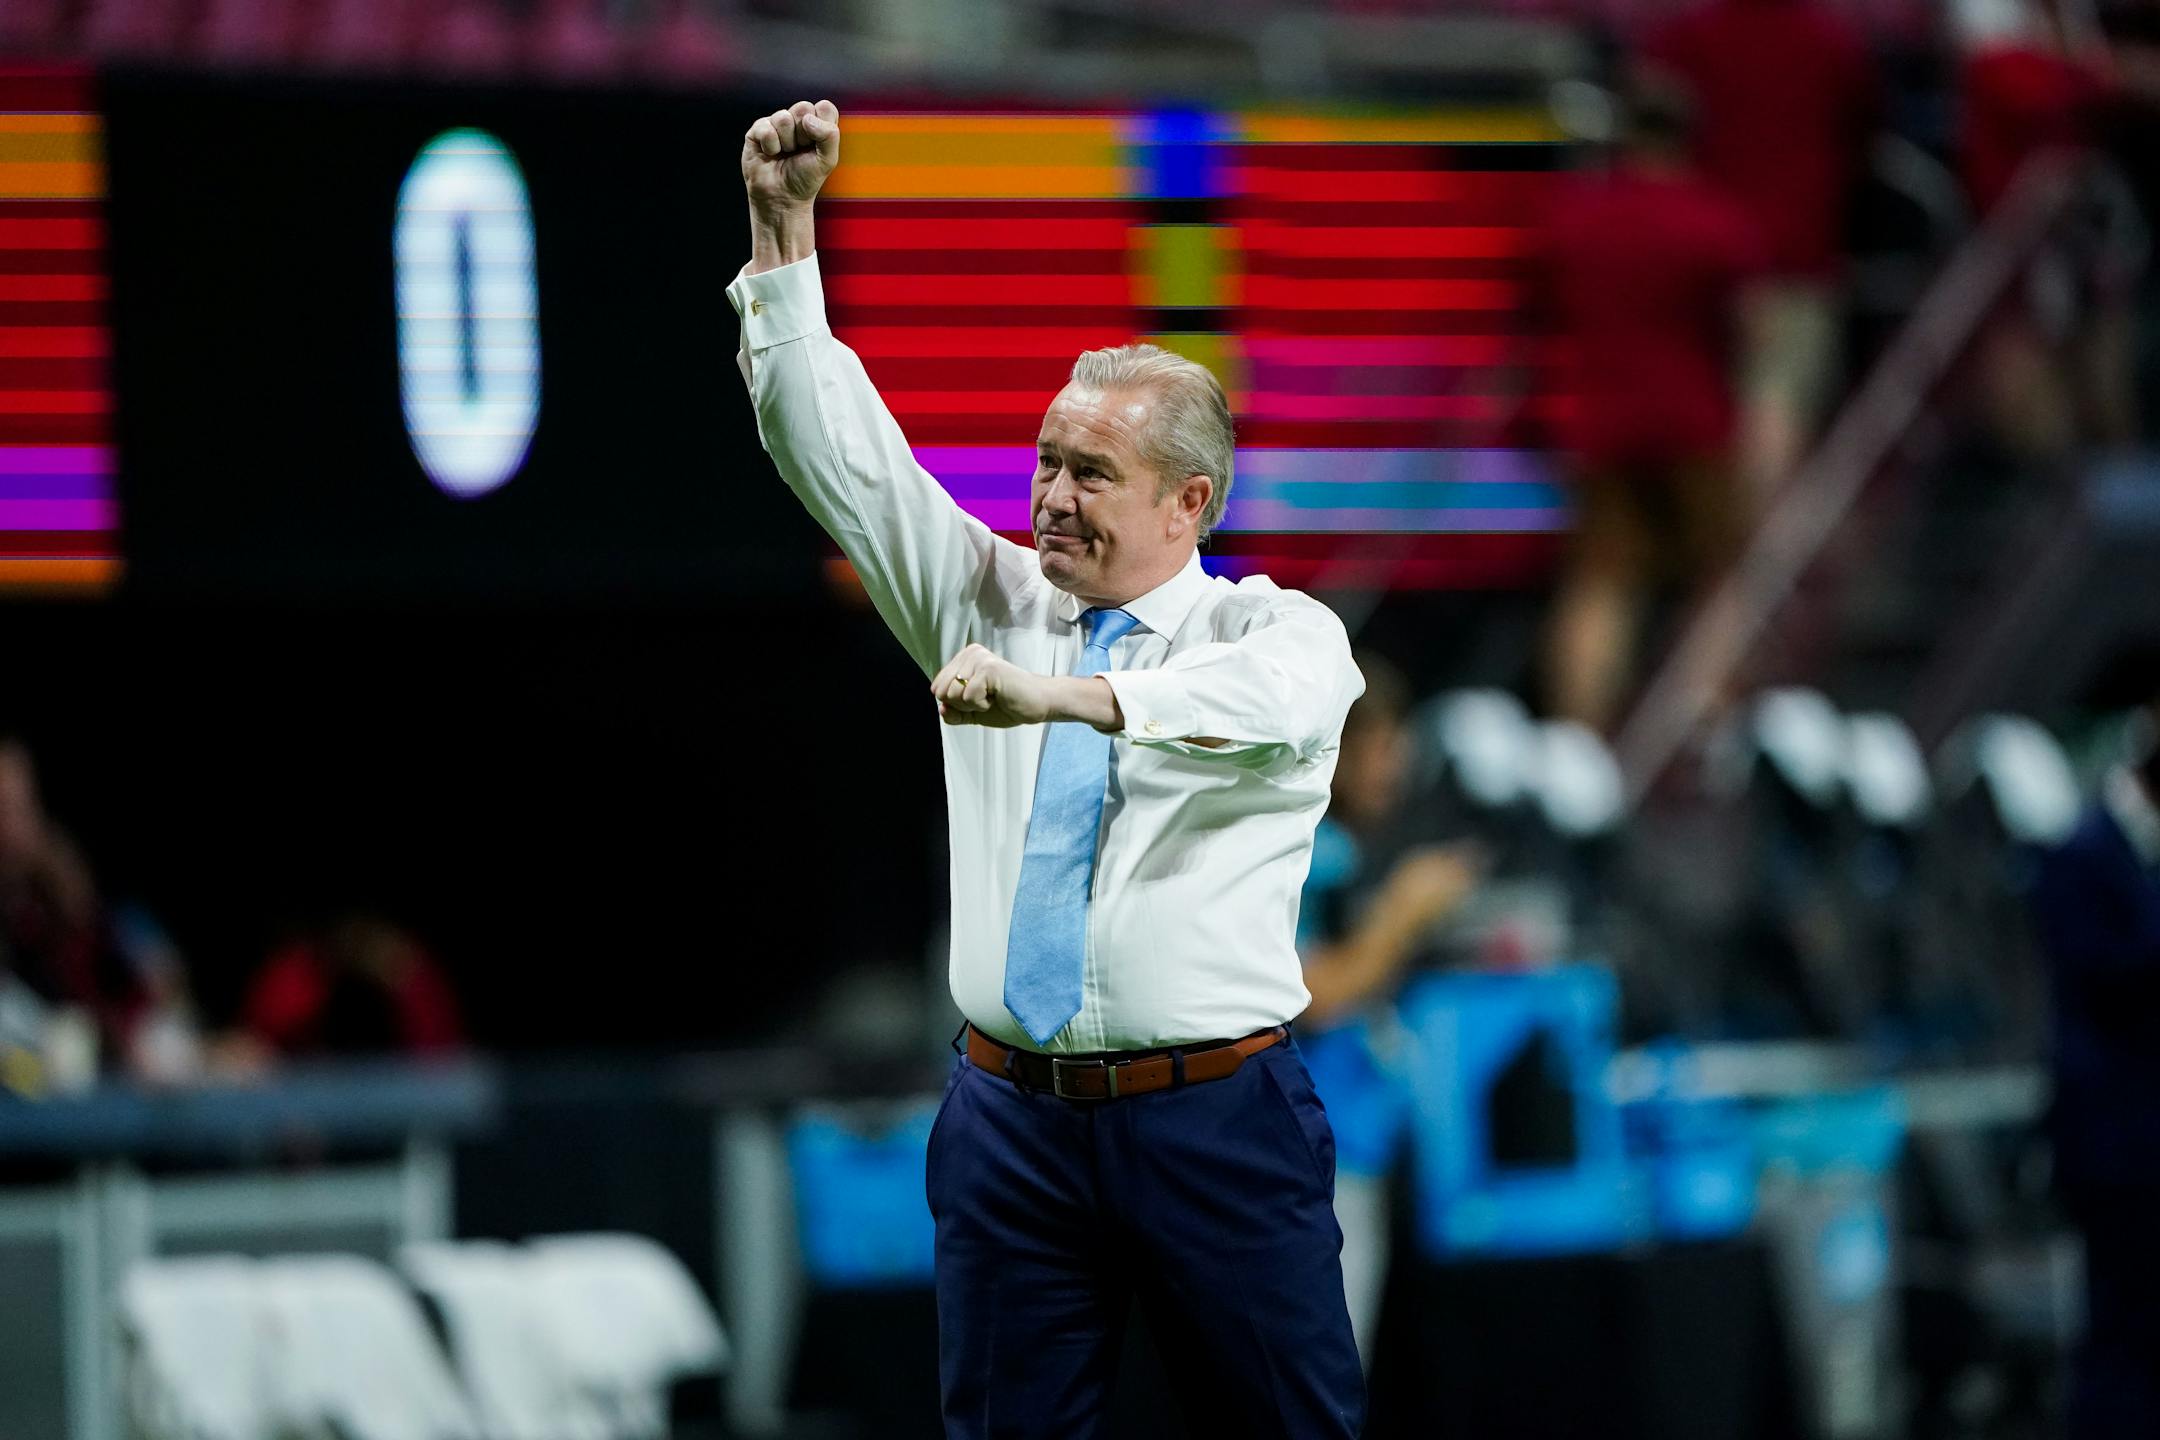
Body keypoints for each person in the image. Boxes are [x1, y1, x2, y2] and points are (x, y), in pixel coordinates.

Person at [732, 101, 1366, 1437]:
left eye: (1093, 473)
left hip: (1216, 1119)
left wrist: (1057, 692)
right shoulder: (986, 598)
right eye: (1045, 462)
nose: (1051, 497)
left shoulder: (1269, 628)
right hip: (1009, 1123)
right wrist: (785, 236)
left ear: (1190, 503)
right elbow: (840, 465)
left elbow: (1260, 702)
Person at [1534, 83, 1766, 733]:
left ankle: (1577, 739)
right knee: (1719, 582)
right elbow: (1751, 335)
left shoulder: (1576, 218)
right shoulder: (1717, 222)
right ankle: (1702, 731)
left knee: (1601, 584)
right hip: (1695, 427)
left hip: (1598, 426)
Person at [1296, 651, 1481, 1367]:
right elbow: (1315, 993)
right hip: (1307, 1167)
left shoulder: (1352, 850)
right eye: (1374, 744)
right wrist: (1405, 913)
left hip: (1358, 1156)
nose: (1391, 764)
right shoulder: (1303, 850)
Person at [1643, 0, 1879, 495]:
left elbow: (1652, 138)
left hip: (1701, 260)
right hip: (1792, 257)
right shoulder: (1829, 39)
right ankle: (1753, 557)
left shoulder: (1687, 37)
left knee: (1721, 414)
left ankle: (1734, 551)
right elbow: (1863, 131)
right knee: (1777, 406)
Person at [2031, 700, 2160, 1439]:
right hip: (2112, 1143)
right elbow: (2101, 976)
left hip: (2145, 1137)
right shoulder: (2082, 851)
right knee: (2117, 1329)